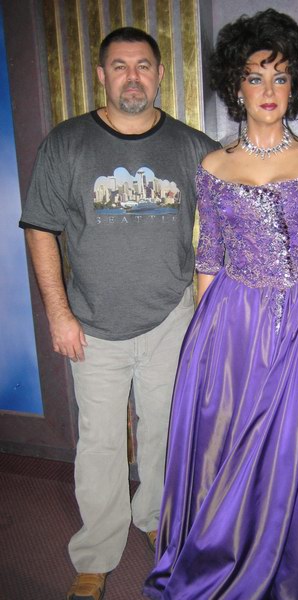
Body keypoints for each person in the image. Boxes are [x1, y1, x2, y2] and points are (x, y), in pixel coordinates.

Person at [145, 9, 298, 599]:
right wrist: (203, 342)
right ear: (236, 85)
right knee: (229, 440)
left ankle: (294, 560)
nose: (268, 89)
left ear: (296, 85)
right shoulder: (214, 167)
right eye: (255, 76)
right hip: (234, 323)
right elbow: (208, 257)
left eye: (280, 77)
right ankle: (228, 551)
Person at [19, 27, 219, 600]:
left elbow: (242, 204)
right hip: (92, 323)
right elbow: (41, 229)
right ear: (101, 75)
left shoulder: (193, 147)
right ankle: (96, 553)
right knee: (100, 443)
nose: (133, 77)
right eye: (120, 66)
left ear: (159, 74)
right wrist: (58, 314)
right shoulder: (68, 143)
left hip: (170, 318)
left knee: (164, 432)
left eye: (143, 66)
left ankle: (155, 517)